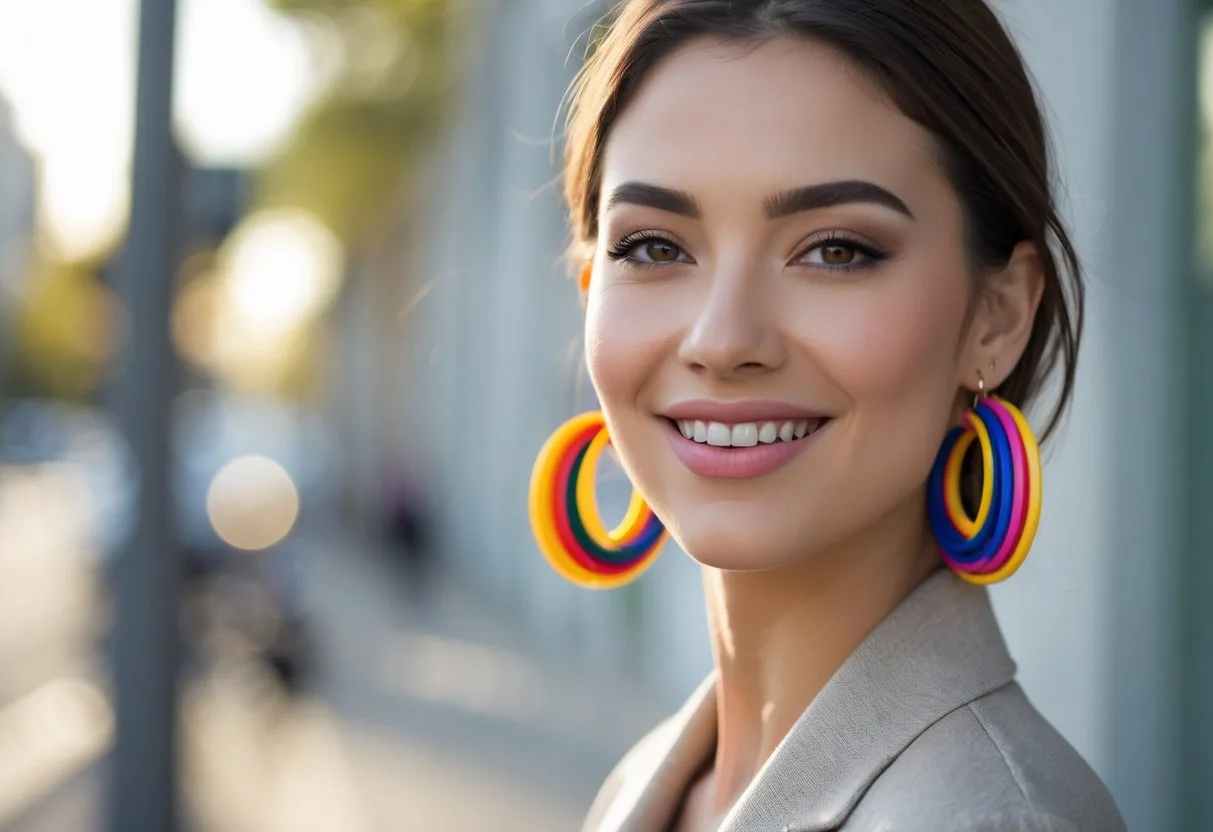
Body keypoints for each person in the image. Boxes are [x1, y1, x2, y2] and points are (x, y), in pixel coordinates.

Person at [525, 1, 1127, 829]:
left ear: (995, 317)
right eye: (654, 247)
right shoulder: (643, 788)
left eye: (835, 249)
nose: (722, 339)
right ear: (590, 285)